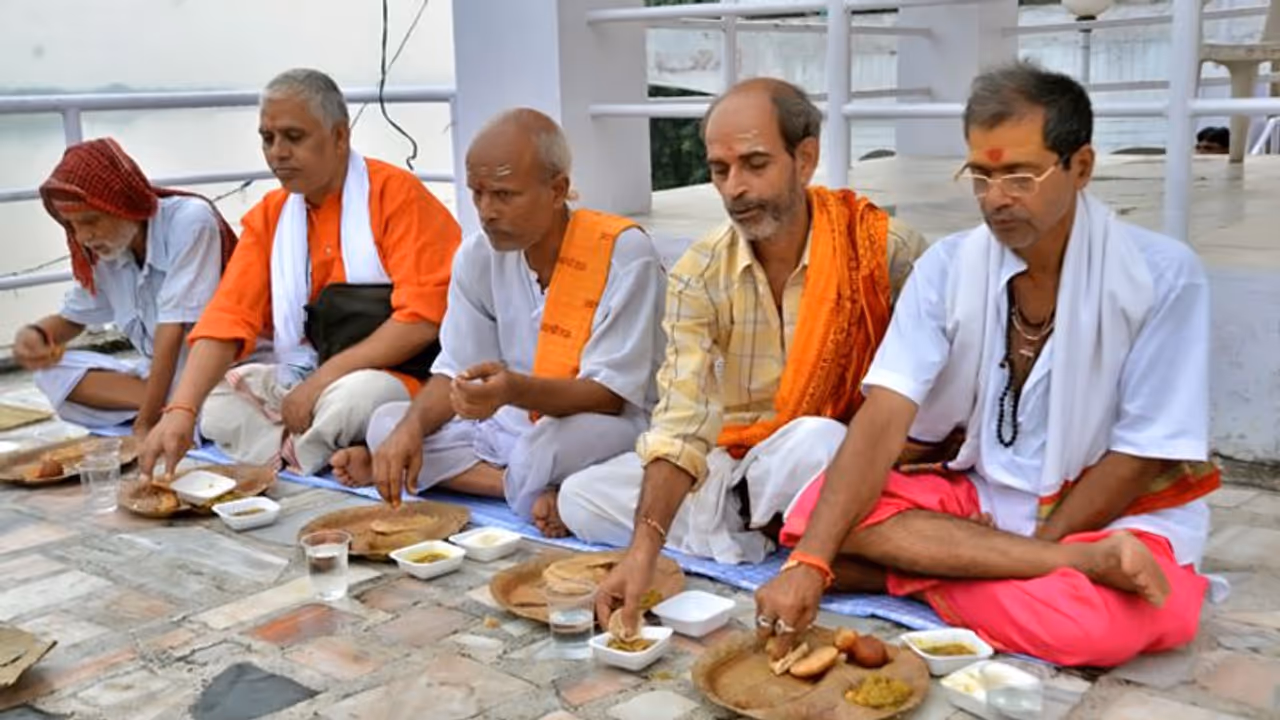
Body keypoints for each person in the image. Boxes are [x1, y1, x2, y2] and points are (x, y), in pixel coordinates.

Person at [754, 61, 1220, 668]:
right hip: (985, 499)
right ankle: (1024, 571)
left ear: (1081, 167)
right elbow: (885, 413)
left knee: (1092, 627)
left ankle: (902, 574)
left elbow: (1140, 455)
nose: (996, 199)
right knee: (816, 511)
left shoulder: (1161, 275)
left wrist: (1037, 545)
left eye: (1020, 175)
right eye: (982, 174)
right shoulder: (949, 267)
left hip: (1113, 516)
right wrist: (815, 563)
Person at [559, 78, 927, 625]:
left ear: (805, 159)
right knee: (579, 497)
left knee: (819, 440)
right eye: (720, 170)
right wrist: (643, 551)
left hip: (835, 459)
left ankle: (751, 527)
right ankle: (761, 528)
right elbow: (682, 420)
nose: (735, 188)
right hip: (733, 466)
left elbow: (926, 396)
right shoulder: (699, 274)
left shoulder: (882, 250)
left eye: (755, 164)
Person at [333, 108, 666, 538]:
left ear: (557, 189)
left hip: (599, 424)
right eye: (477, 194)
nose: (486, 212)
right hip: (508, 420)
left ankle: (518, 484)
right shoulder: (477, 257)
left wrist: (513, 389)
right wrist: (409, 431)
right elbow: (454, 370)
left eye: (505, 195)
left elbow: (609, 396)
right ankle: (535, 494)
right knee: (388, 424)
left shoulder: (623, 253)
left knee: (543, 448)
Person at [139, 68, 460, 479]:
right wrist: (179, 412)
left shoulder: (395, 196)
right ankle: (312, 452)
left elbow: (423, 319)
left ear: (340, 137)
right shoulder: (272, 216)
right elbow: (227, 318)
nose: (277, 153)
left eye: (294, 137)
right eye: (267, 139)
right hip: (305, 374)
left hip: (395, 378)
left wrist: (321, 381)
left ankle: (300, 451)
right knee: (214, 404)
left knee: (357, 399)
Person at [14, 138, 237, 439]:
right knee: (52, 371)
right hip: (160, 382)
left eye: (90, 221)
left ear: (122, 205)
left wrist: (144, 425)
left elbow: (171, 332)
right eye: (72, 225)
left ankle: (176, 411)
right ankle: (170, 409)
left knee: (227, 413)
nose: (82, 237)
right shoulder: (107, 249)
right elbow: (71, 320)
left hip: (217, 378)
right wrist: (35, 336)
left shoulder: (190, 221)